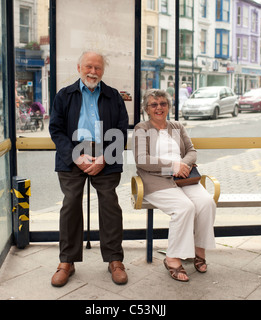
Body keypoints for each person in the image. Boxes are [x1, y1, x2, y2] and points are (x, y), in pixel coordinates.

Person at [49, 50, 129, 287]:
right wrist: (76, 156)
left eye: (98, 68)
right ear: (79, 68)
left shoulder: (114, 96)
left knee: (110, 204)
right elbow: (56, 130)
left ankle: (115, 260)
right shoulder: (64, 95)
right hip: (74, 154)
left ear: (102, 71)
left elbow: (121, 129)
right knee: (71, 203)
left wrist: (104, 158)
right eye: (89, 67)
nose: (93, 72)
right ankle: (67, 261)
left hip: (106, 154)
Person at [133, 89, 216, 282]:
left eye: (163, 103)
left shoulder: (177, 125)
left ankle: (199, 249)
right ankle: (172, 258)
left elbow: (191, 151)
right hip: (156, 180)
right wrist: (172, 166)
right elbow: (141, 159)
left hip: (184, 177)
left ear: (168, 106)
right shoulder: (141, 128)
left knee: (206, 202)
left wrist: (184, 165)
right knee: (184, 208)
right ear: (147, 108)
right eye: (154, 105)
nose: (159, 108)